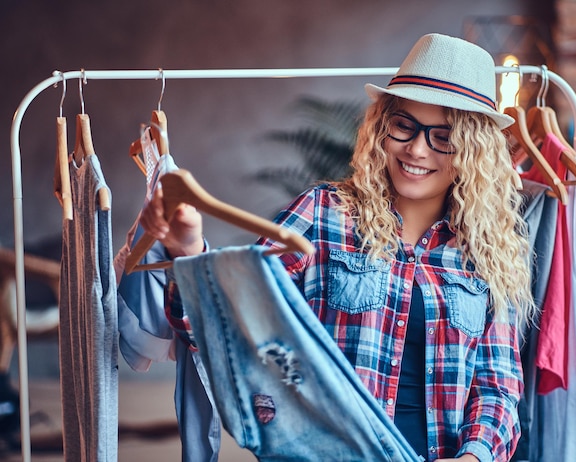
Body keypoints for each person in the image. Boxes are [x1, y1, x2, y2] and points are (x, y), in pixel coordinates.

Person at [135, 33, 535, 462]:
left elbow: (499, 387)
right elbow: (229, 329)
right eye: (405, 126)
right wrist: (188, 249)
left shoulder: (490, 251)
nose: (417, 149)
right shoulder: (323, 214)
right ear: (384, 126)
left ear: (471, 152)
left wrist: (474, 457)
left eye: (443, 135)